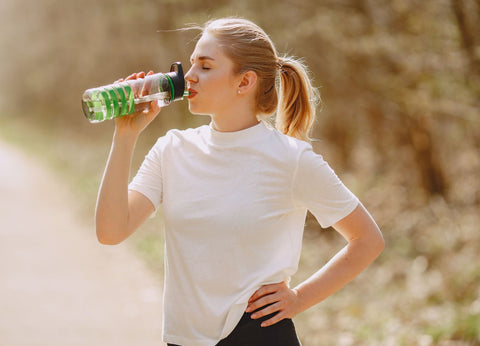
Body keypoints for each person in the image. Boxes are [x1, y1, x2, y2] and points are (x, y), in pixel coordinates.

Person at [95, 17, 385, 346]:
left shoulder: (291, 159)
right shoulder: (171, 150)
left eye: (205, 67)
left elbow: (367, 240)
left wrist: (299, 299)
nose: (188, 76)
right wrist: (126, 135)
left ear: (244, 81)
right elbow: (110, 231)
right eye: (191, 64)